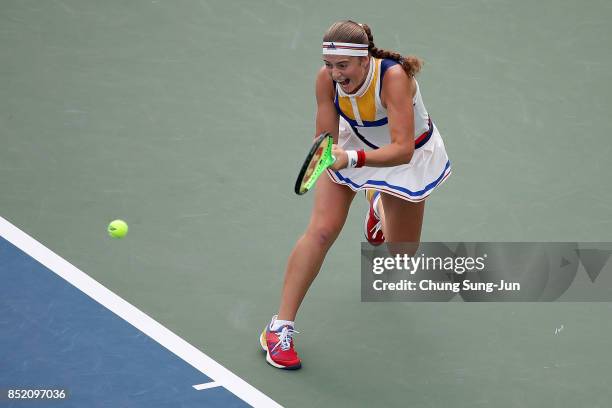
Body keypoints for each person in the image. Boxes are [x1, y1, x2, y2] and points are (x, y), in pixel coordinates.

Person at [259, 20, 451, 369]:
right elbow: (325, 141)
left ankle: (377, 204)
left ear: (364, 61)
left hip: (404, 156)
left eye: (342, 65)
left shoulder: (394, 78)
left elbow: (402, 150)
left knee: (402, 256)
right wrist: (332, 156)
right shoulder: (325, 80)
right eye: (329, 64)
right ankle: (279, 327)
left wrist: (352, 159)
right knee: (321, 230)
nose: (334, 73)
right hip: (351, 146)